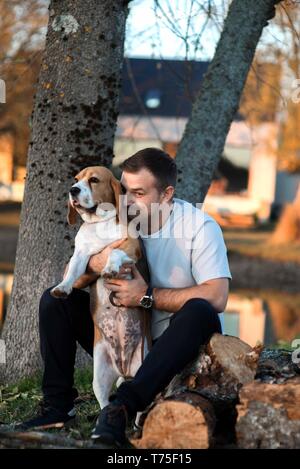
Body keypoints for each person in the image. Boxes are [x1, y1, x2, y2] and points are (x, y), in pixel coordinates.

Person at [17, 148, 232, 447]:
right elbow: (73, 275)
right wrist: (99, 260)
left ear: (166, 194)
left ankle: (121, 408)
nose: (127, 200)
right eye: (125, 190)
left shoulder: (199, 227)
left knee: (200, 310)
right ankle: (58, 407)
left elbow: (218, 297)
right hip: (124, 336)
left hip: (174, 347)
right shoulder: (116, 217)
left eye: (139, 193)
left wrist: (145, 297)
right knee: (56, 301)